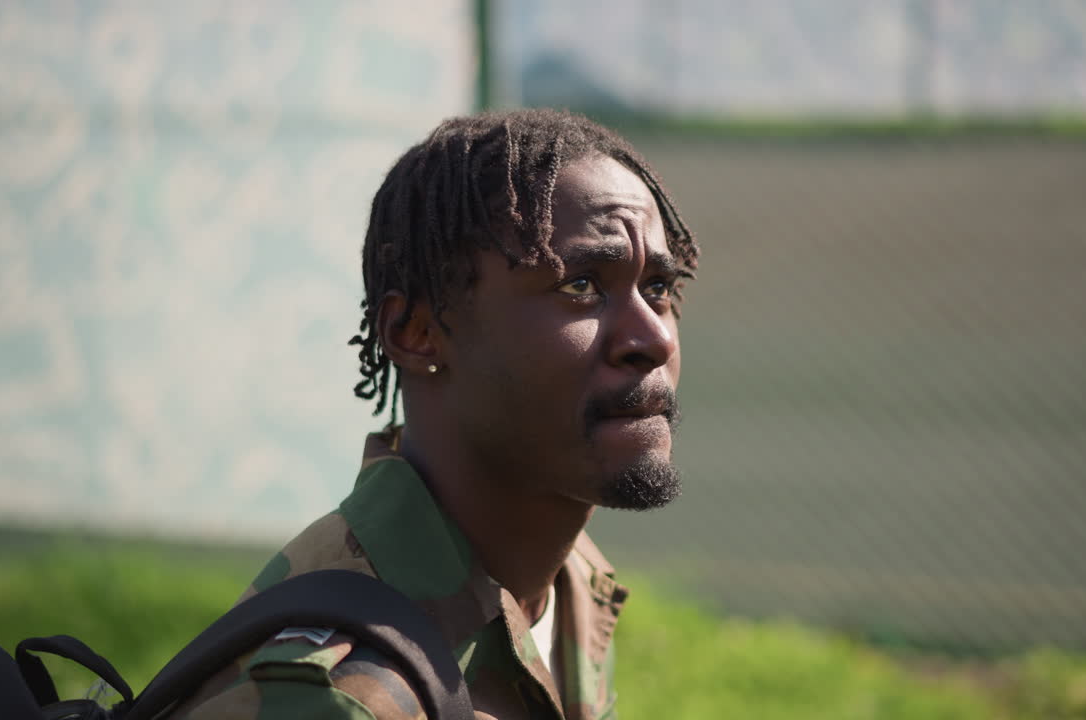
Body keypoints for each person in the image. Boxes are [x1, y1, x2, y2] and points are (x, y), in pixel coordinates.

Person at [176, 108, 699, 720]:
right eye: (581, 286)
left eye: (658, 289)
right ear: (417, 333)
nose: (654, 338)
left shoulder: (568, 582)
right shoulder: (337, 698)